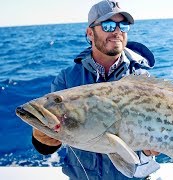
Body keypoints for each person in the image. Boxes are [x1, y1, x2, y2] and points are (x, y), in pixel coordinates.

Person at [31, 0, 160, 179]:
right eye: (108, 25)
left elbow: (145, 157)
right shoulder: (67, 79)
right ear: (90, 33)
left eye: (123, 26)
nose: (117, 31)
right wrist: (42, 137)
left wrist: (148, 152)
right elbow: (48, 146)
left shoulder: (142, 79)